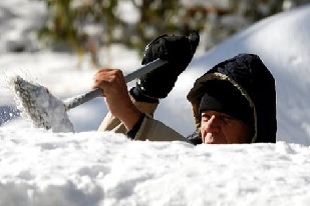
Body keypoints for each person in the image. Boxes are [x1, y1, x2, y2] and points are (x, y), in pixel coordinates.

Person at [92, 32, 277, 144]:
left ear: (253, 128)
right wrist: (144, 95)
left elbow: (200, 172)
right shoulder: (189, 153)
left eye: (225, 118)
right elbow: (103, 159)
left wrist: (128, 113)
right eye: (205, 117)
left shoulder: (270, 178)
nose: (210, 127)